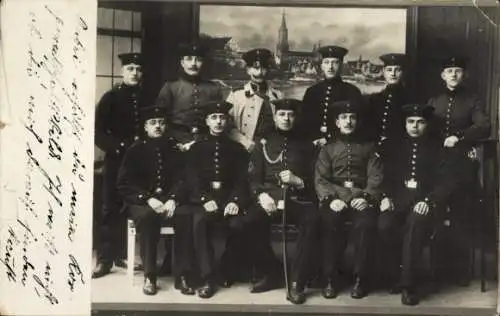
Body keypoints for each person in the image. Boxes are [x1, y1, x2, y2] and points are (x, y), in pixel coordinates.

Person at [243, 99, 319, 304]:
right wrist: (261, 195)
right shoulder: (263, 142)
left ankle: (297, 281)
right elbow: (253, 178)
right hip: (269, 198)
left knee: (312, 222)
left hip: (298, 199)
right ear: (275, 117)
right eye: (282, 114)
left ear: (296, 117)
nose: (286, 118)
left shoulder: (307, 144)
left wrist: (299, 182)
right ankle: (272, 271)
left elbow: (318, 179)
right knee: (248, 222)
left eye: (291, 115)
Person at [116, 106, 193, 295]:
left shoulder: (174, 149)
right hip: (141, 202)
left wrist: (173, 199)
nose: (157, 126)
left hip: (169, 201)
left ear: (165, 125)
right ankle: (150, 276)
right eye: (153, 123)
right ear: (146, 127)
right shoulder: (135, 150)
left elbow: (183, 180)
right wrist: (148, 199)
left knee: (185, 216)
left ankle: (181, 276)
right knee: (148, 217)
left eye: (161, 122)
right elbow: (124, 184)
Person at [427, 56, 490, 284]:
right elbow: (427, 130)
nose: (453, 74)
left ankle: (461, 272)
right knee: (437, 212)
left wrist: (460, 137)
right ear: (443, 75)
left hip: (463, 163)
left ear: (464, 75)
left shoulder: (473, 100)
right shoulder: (434, 101)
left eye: (458, 71)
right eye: (449, 71)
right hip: (437, 164)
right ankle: (436, 270)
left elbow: (483, 125)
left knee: (461, 214)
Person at [181, 100, 251, 299]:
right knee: (200, 222)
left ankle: (226, 269)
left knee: (239, 224)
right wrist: (204, 199)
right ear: (207, 121)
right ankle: (207, 277)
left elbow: (242, 179)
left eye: (222, 118)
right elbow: (191, 179)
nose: (218, 122)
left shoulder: (237, 149)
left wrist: (235, 201)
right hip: (204, 200)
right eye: (214, 118)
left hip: (228, 199)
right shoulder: (196, 148)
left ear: (227, 121)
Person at [315, 99, 383, 300]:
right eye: (343, 118)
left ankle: (361, 278)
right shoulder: (328, 148)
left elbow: (376, 176)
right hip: (335, 198)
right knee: (330, 223)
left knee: (366, 225)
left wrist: (366, 196)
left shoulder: (369, 147)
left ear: (358, 121)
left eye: (352, 117)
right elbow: (320, 178)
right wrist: (331, 198)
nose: (348, 122)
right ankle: (330, 278)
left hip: (361, 198)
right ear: (336, 122)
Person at [377, 103, 443, 305]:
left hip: (425, 204)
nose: (415, 126)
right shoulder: (392, 146)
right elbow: (382, 176)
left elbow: (445, 180)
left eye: (420, 122)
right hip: (397, 202)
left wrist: (429, 201)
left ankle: (408, 284)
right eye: (411, 122)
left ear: (427, 124)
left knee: (414, 225)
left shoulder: (437, 146)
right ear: (405, 124)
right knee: (384, 225)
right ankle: (396, 274)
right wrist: (385, 196)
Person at [93, 52, 145, 278]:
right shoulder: (110, 98)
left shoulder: (146, 98)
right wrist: (119, 146)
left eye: (139, 69)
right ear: (123, 71)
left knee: (130, 207)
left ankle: (123, 255)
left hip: (139, 164)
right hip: (116, 160)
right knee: (109, 209)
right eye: (131, 68)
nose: (135, 73)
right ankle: (105, 260)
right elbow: (98, 132)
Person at [156, 41, 222, 151]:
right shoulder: (170, 87)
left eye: (198, 60)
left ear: (203, 62)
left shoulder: (213, 88)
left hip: (205, 142)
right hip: (176, 142)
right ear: (182, 62)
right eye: (189, 59)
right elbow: (159, 118)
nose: (194, 64)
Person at [301, 45, 362, 146]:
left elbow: (358, 124)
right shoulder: (311, 91)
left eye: (335, 62)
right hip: (313, 143)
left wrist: (329, 139)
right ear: (321, 66)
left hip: (340, 145)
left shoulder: (352, 91)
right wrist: (314, 138)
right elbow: (304, 120)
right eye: (327, 62)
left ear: (341, 65)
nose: (330, 67)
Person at [226, 48, 284, 151]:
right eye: (255, 68)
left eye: (263, 68)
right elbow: (227, 124)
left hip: (272, 148)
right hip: (246, 147)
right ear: (248, 70)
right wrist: (245, 142)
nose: (260, 72)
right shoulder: (237, 95)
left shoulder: (278, 95)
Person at [364, 53, 409, 156]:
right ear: (383, 72)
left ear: (403, 73)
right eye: (389, 70)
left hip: (399, 152)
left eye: (397, 70)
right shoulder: (374, 99)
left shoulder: (410, 99)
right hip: (375, 150)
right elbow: (368, 126)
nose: (393, 74)